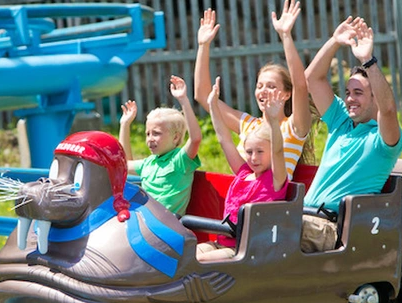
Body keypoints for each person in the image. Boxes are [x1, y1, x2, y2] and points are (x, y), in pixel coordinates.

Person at [300, 17, 402, 253]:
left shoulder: (382, 140)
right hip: (305, 219)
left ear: (375, 96)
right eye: (347, 92)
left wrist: (368, 61)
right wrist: (335, 41)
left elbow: (388, 110)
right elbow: (311, 79)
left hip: (328, 228)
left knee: (270, 237)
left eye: (358, 93)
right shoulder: (341, 121)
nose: (349, 99)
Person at [193, 1, 313, 180]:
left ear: (288, 94)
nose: (263, 91)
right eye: (260, 86)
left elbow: (301, 86)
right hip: (244, 199)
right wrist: (203, 46)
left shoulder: (293, 127)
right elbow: (202, 95)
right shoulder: (249, 125)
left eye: (271, 86)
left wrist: (285, 35)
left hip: (271, 204)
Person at [196, 77, 289, 262]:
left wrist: (272, 120)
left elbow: (278, 150)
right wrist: (213, 105)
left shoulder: (276, 178)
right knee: (184, 254)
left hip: (246, 250)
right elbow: (224, 139)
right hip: (223, 241)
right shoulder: (244, 173)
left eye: (260, 152)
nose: (254, 158)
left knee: (198, 262)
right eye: (249, 152)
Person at [118, 75, 202, 216]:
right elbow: (123, 164)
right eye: (148, 134)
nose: (150, 139)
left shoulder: (180, 160)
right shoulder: (148, 163)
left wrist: (183, 100)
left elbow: (195, 139)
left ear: (175, 137)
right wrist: (125, 125)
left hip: (167, 226)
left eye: (156, 133)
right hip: (145, 220)